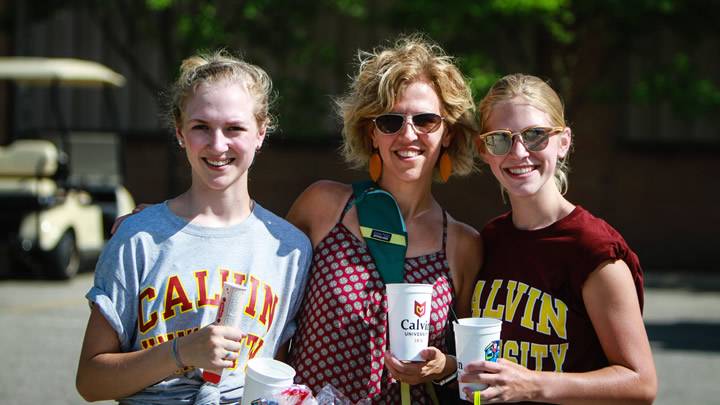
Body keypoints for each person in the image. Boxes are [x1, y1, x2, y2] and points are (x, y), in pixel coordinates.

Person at [75, 51, 312, 404]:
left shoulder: (290, 249)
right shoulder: (138, 239)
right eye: (201, 127)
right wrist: (181, 352)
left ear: (261, 132)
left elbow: (278, 367)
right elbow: (91, 382)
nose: (218, 145)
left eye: (234, 128)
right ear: (179, 132)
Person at [286, 34, 483, 404]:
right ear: (371, 133)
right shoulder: (324, 206)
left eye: (425, 120)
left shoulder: (462, 243)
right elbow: (268, 302)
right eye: (391, 121)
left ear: (448, 133)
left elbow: (474, 367)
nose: (408, 134)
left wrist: (442, 366)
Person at [461, 73, 657, 404]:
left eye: (535, 135)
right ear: (484, 150)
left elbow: (640, 383)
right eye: (500, 139)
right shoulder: (489, 240)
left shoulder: (593, 249)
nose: (519, 152)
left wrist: (533, 384)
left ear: (563, 142)